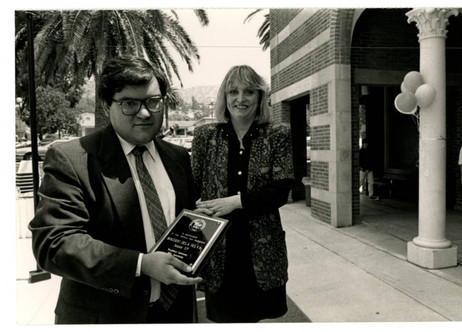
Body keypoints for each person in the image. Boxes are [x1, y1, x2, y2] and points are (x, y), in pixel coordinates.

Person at [28, 55, 202, 324]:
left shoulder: (179, 157)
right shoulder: (72, 159)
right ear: (106, 104)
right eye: (129, 103)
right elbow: (54, 244)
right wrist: (141, 264)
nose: (144, 113)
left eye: (153, 102)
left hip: (175, 313)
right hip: (107, 316)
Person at [191, 65, 295, 323]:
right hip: (217, 247)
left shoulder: (277, 134)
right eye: (233, 91)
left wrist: (235, 203)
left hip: (260, 246)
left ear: (260, 97)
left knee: (255, 317)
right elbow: (193, 185)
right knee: (224, 318)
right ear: (224, 98)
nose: (241, 98)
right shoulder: (205, 135)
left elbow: (281, 190)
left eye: (249, 91)